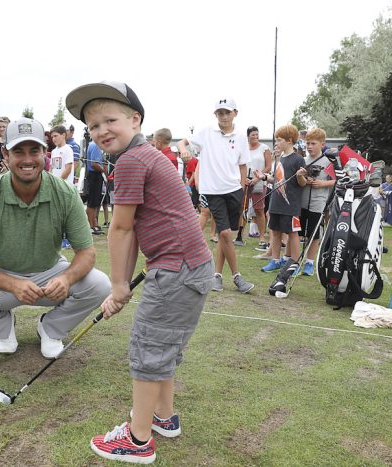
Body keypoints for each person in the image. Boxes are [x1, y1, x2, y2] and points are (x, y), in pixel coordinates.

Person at [66, 81, 213, 465]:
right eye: (93, 126)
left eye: (110, 120)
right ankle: (163, 418)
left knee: (149, 348)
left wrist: (118, 286)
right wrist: (122, 283)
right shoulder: (145, 155)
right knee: (162, 345)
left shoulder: (132, 160)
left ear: (135, 119)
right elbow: (133, 231)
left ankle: (138, 439)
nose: (101, 131)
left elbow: (121, 228)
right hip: (187, 266)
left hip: (177, 269)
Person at [0, 117, 110, 360]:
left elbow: (86, 252)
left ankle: (51, 328)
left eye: (34, 150)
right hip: (2, 274)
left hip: (50, 271)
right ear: (5, 154)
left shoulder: (65, 193)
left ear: (45, 152)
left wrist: (66, 279)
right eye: (18, 151)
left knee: (100, 285)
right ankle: (3, 328)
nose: (27, 159)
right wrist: (14, 285)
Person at [177, 97, 254, 294]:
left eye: (227, 112)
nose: (224, 116)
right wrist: (184, 150)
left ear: (235, 113)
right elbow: (181, 142)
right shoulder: (206, 132)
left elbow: (243, 165)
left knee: (224, 234)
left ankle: (217, 276)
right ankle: (237, 277)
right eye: (220, 112)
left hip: (234, 190)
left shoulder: (240, 137)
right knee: (226, 233)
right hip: (213, 191)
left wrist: (242, 189)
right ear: (215, 115)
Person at [256, 124, 307, 272]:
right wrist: (264, 177)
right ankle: (275, 261)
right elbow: (277, 180)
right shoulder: (279, 159)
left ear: (289, 140)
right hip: (276, 203)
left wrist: (300, 176)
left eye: (279, 140)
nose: (276, 143)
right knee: (276, 232)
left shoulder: (298, 160)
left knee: (292, 234)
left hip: (290, 205)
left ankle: (295, 264)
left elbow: (302, 183)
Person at [298, 128, 334, 275]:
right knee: (300, 234)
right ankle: (297, 261)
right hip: (302, 202)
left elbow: (336, 181)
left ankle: (310, 263)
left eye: (313, 143)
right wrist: (303, 179)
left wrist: (322, 183)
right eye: (308, 143)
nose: (310, 146)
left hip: (318, 203)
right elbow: (299, 181)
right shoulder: (303, 160)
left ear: (322, 144)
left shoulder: (329, 161)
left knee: (314, 234)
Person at [246, 126, 271, 249]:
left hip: (260, 181)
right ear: (248, 136)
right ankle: (239, 234)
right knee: (242, 208)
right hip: (245, 181)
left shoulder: (264, 148)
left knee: (259, 209)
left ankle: (262, 237)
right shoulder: (244, 148)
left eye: (257, 134)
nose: (255, 137)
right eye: (253, 135)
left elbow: (268, 167)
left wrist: (258, 178)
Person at [85, 141, 105, 235]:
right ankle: (91, 226)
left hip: (94, 176)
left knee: (95, 201)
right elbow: (94, 164)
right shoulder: (95, 145)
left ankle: (94, 224)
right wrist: (104, 171)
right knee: (92, 202)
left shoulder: (93, 145)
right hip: (94, 175)